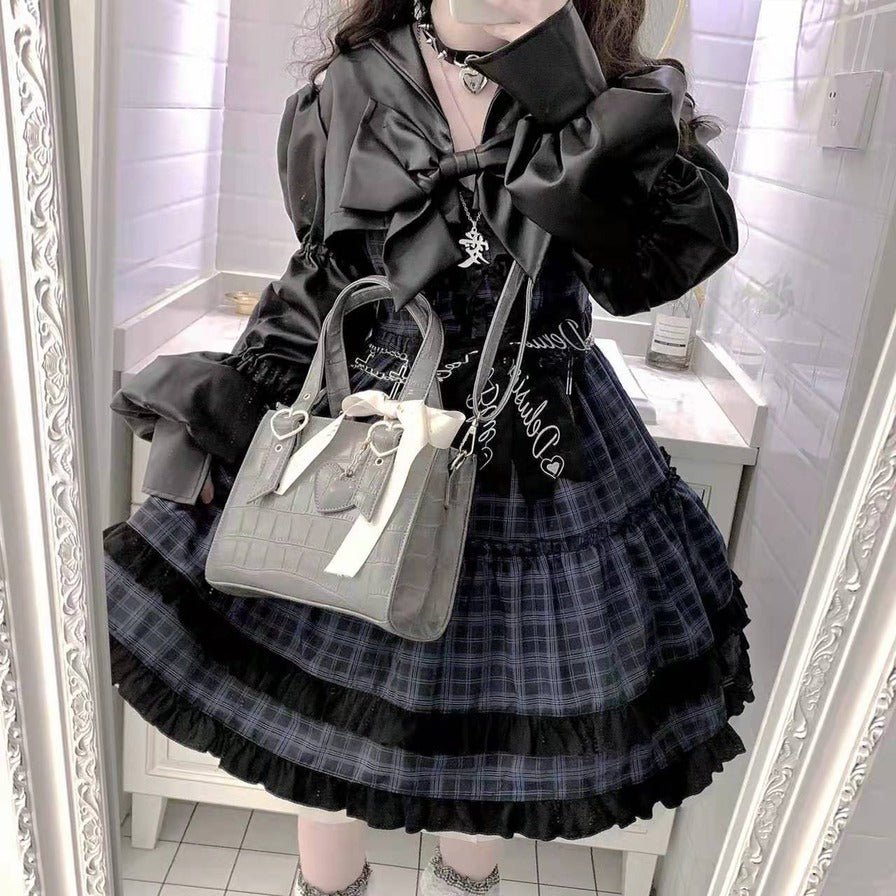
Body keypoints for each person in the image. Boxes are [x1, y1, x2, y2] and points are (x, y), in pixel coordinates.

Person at [104, 1, 752, 893]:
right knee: (327, 739)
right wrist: (232, 423)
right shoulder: (353, 83)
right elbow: (324, 275)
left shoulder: (612, 91)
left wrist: (563, 77)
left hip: (543, 450)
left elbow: (651, 271)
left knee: (494, 759)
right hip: (374, 434)